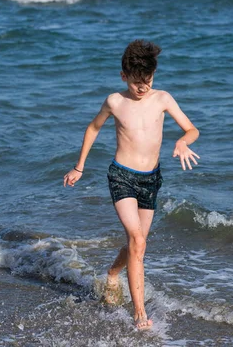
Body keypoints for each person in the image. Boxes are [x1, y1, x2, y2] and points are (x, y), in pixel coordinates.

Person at [63, 39, 200, 330]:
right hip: (121, 176)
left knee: (138, 245)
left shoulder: (162, 99)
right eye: (137, 82)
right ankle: (140, 314)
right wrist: (79, 167)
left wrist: (182, 141)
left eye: (147, 81)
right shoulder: (115, 101)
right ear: (124, 76)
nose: (143, 88)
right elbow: (93, 127)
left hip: (151, 180)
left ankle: (112, 274)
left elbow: (192, 129)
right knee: (137, 241)